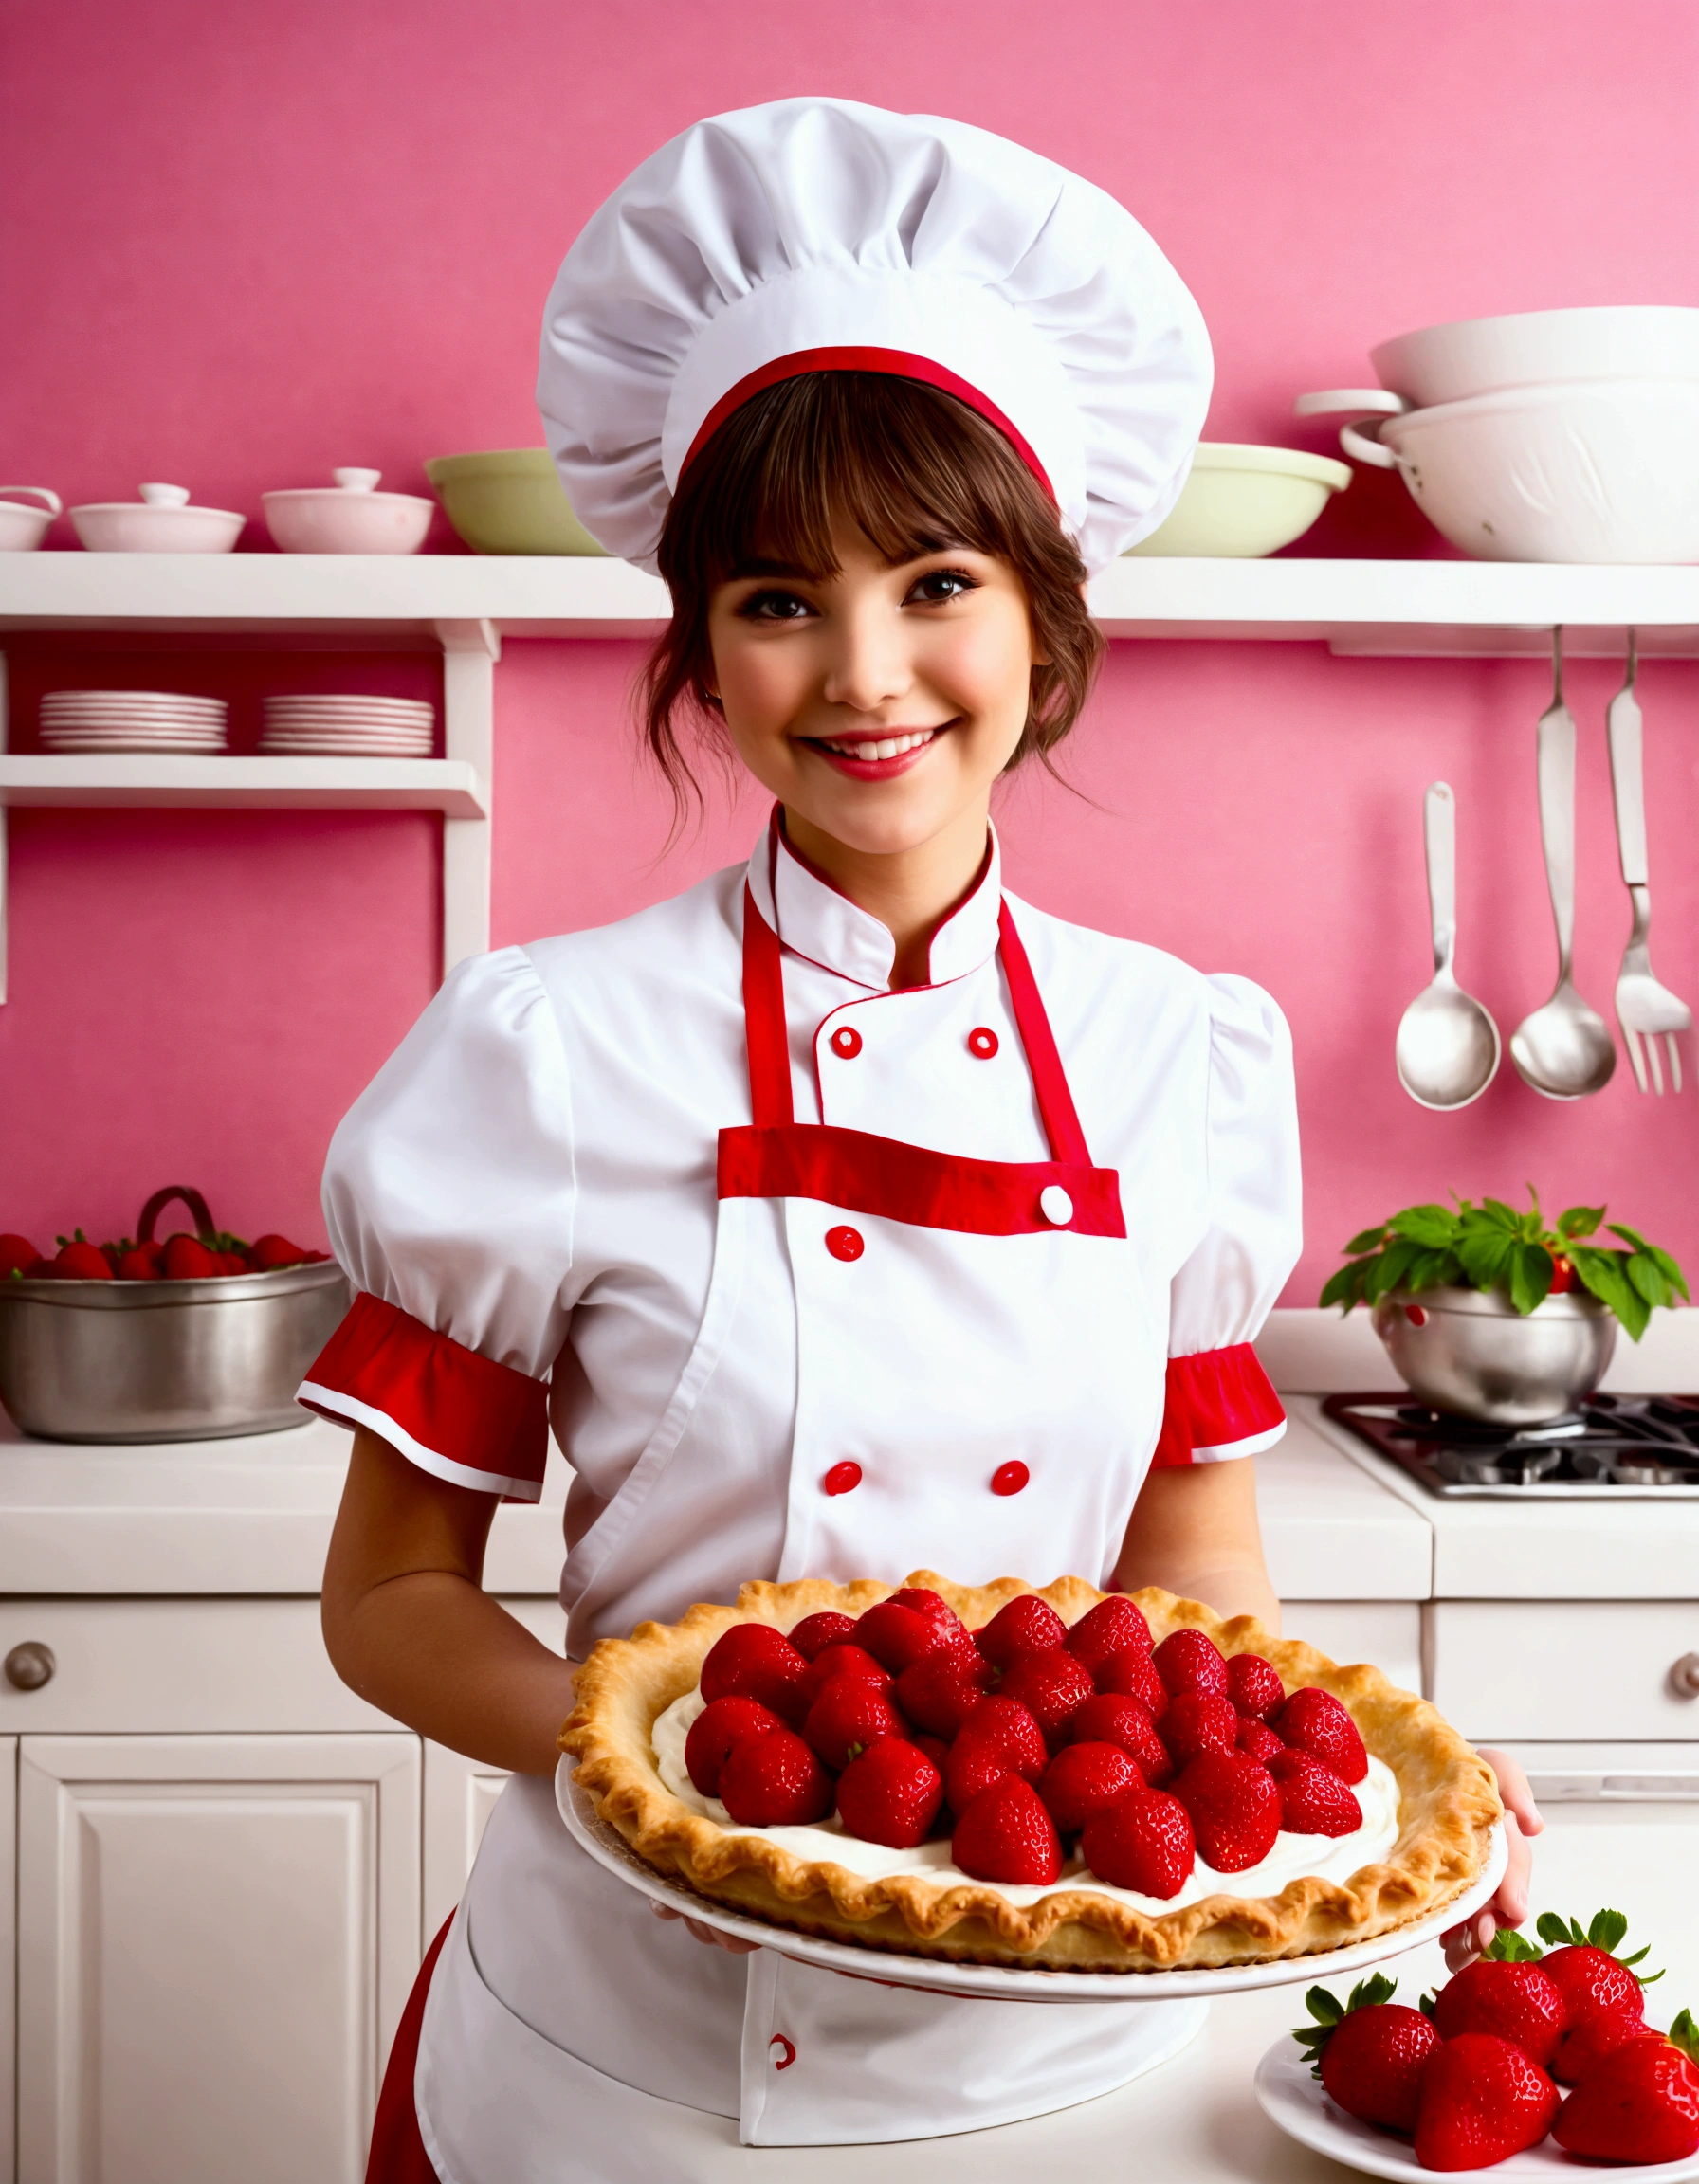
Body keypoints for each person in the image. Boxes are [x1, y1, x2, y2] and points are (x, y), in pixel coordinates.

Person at [307, 97, 1539, 2183]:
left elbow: (1188, 1557)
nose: (862, 674)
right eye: (778, 598)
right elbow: (387, 1601)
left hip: (1055, 2039)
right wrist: (661, 1781)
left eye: (935, 581)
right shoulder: (545, 1051)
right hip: (623, 2042)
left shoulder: (1178, 1056)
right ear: (697, 646)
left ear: (1043, 621)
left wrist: (1342, 1787)